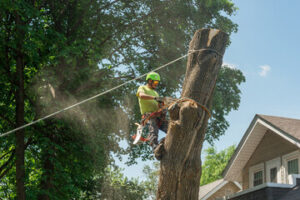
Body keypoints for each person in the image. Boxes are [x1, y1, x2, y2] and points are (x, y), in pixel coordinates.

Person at [136, 72, 168, 160]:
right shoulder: (142, 88)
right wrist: (155, 98)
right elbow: (142, 96)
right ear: (149, 81)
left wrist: (162, 106)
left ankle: (167, 142)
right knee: (153, 130)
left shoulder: (155, 93)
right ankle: (156, 149)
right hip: (149, 116)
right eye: (155, 82)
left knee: (171, 128)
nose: (156, 84)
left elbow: (158, 105)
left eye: (157, 83)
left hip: (158, 115)